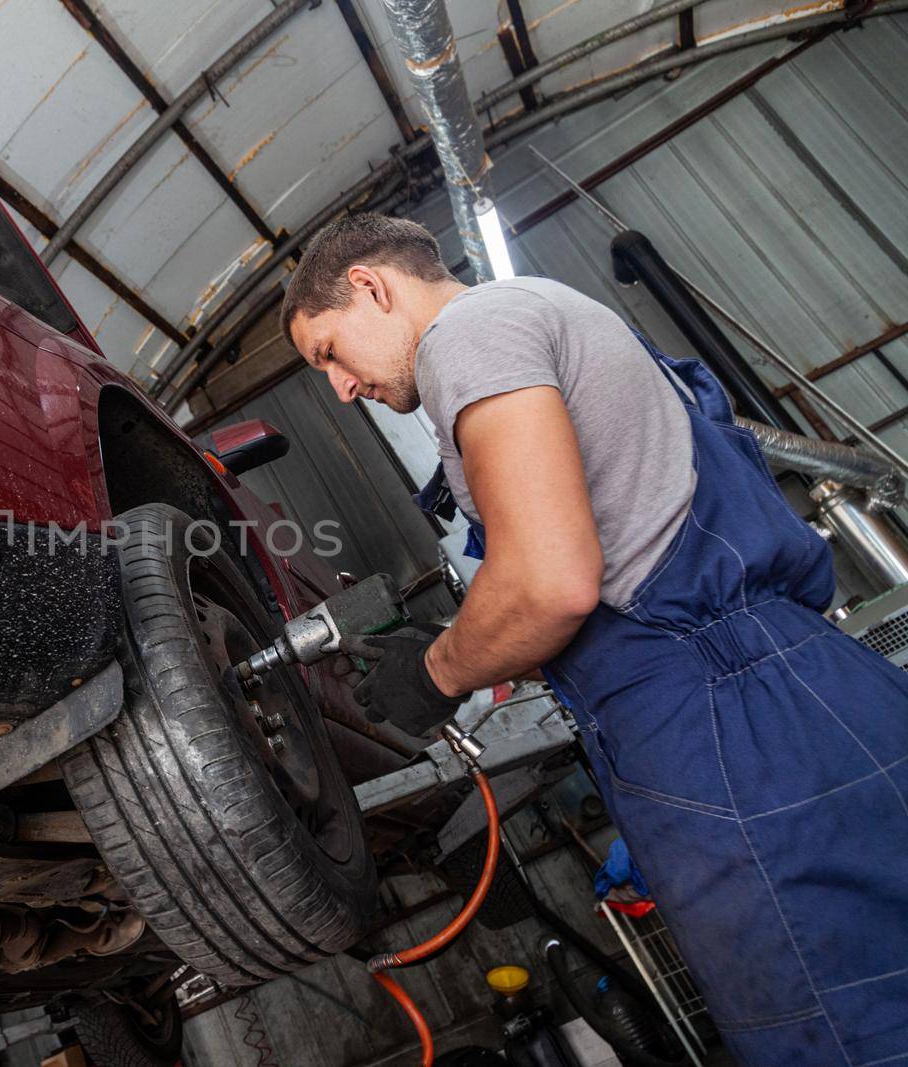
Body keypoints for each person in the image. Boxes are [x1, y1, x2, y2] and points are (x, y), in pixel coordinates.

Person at [279, 212, 908, 1067]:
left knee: (841, 1034)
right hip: (814, 686)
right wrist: (474, 635)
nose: (341, 388)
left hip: (722, 731)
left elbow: (552, 582)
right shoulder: (551, 313)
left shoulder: (468, 334)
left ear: (372, 287)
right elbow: (616, 564)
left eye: (327, 353)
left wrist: (435, 672)